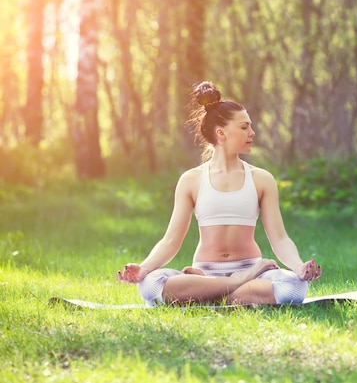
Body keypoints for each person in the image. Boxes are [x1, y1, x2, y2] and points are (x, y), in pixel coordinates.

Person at [117, 81, 322, 306]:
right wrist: (144, 269)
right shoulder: (191, 180)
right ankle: (235, 287)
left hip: (248, 269)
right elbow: (171, 240)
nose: (252, 133)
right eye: (244, 127)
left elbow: (280, 238)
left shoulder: (261, 179)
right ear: (221, 133)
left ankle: (205, 295)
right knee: (150, 285)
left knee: (294, 288)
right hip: (216, 272)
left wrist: (299, 267)